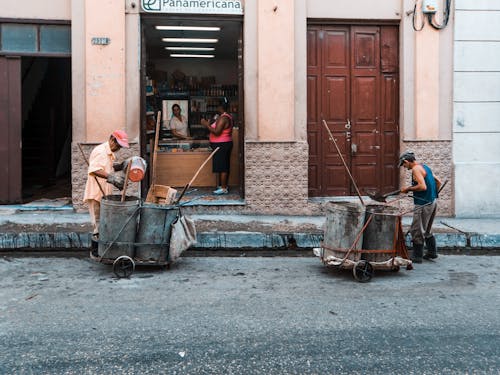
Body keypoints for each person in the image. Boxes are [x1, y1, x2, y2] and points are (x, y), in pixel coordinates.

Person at [83, 130, 129, 238]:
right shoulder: (101, 151)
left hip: (104, 193)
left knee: (105, 223)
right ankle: (98, 248)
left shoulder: (109, 152)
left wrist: (120, 166)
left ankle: (104, 245)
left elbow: (107, 167)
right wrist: (112, 178)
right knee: (98, 225)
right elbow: (94, 170)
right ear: (112, 140)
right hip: (96, 193)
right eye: (119, 146)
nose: (119, 149)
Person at [399, 151, 442, 263]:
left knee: (416, 229)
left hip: (423, 204)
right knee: (427, 229)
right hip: (432, 202)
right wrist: (434, 194)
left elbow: (422, 186)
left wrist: (408, 189)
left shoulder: (415, 169)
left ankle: (417, 256)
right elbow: (438, 182)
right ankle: (432, 252)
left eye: (403, 165)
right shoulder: (425, 167)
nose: (404, 167)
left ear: (406, 161)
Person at [201, 100, 233, 195]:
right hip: (222, 144)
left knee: (223, 166)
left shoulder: (223, 118)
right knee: (222, 165)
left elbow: (217, 132)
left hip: (222, 145)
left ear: (220, 107)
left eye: (217, 107)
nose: (216, 109)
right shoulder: (223, 117)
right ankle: (222, 186)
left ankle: (223, 188)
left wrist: (206, 125)